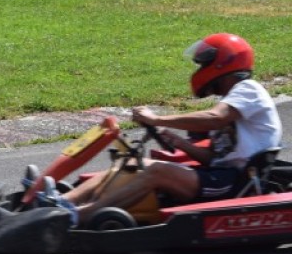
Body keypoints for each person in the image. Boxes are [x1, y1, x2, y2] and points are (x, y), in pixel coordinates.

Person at [59, 32, 282, 226]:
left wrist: (158, 119)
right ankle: (61, 202)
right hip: (218, 175)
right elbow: (213, 157)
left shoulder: (249, 90)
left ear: (225, 62)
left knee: (156, 171)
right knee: (132, 163)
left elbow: (215, 118)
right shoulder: (233, 100)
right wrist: (181, 143)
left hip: (234, 182)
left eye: (204, 64)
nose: (201, 69)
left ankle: (80, 215)